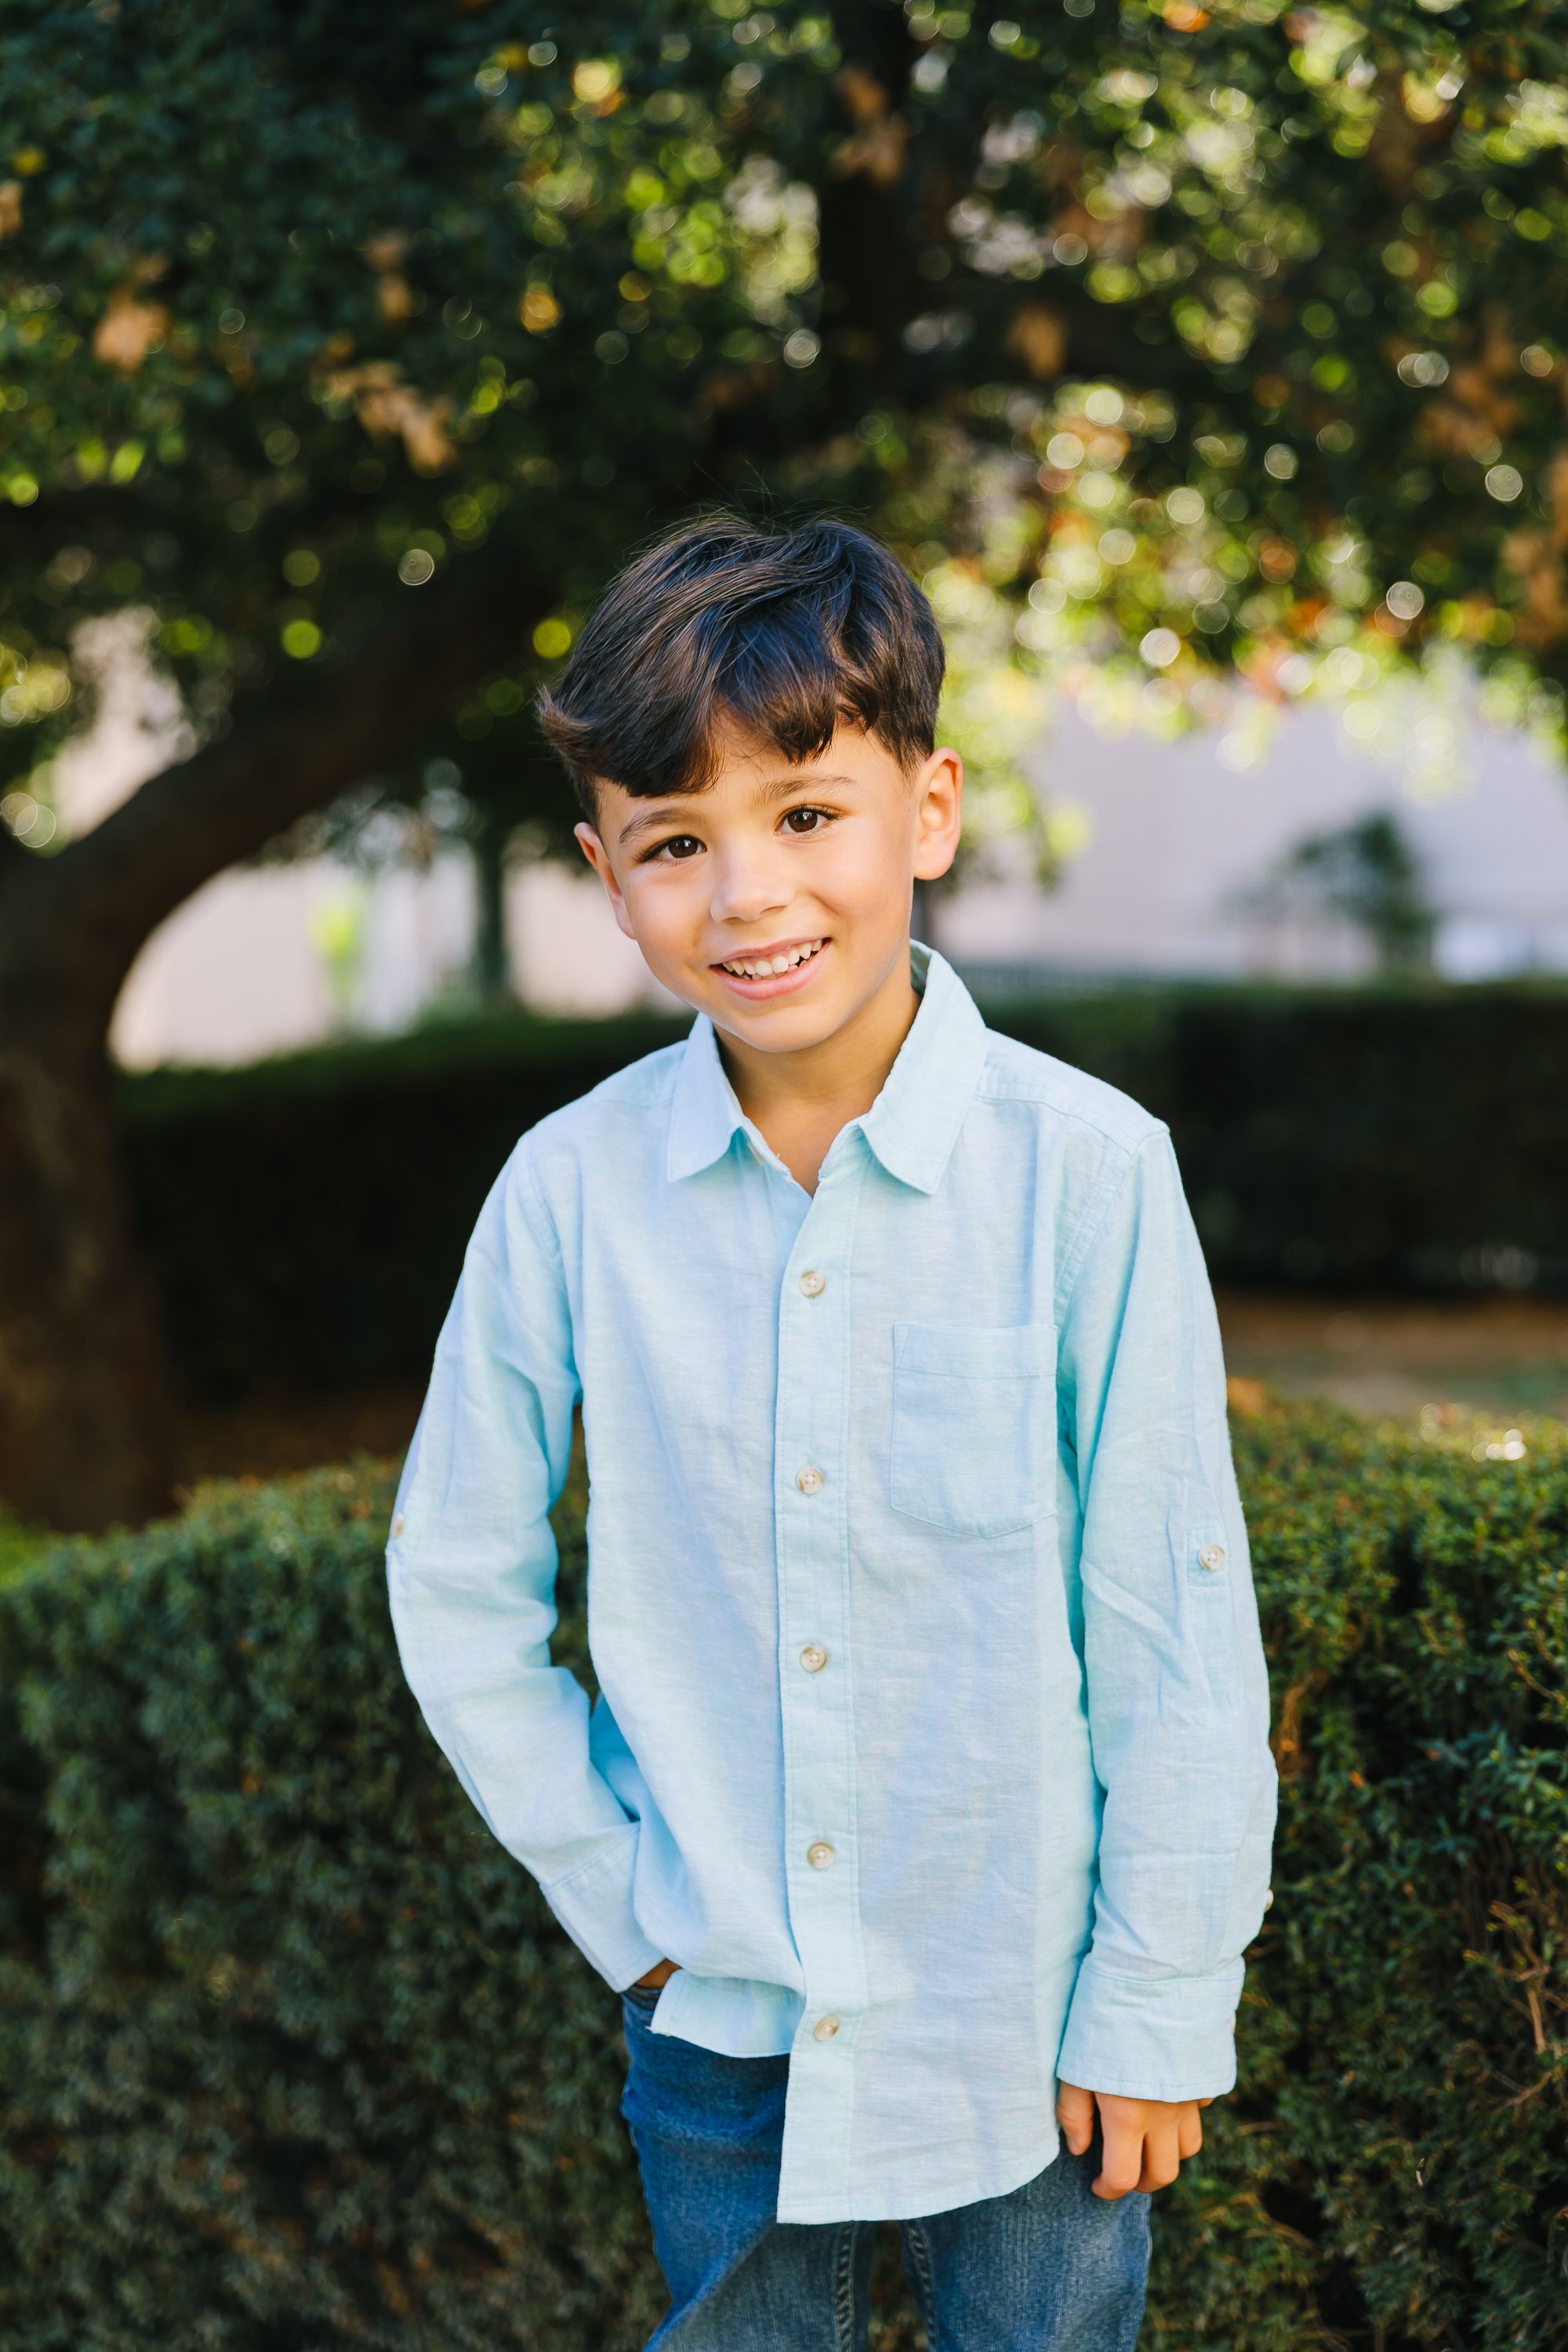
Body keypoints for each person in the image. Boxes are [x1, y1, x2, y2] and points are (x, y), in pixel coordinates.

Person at [387, 514, 1277, 2350]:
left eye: (806, 815)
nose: (746, 895)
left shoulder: (1087, 1177)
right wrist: (620, 1895)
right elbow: (454, 1577)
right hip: (716, 2014)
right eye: (674, 845)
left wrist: (1157, 1998)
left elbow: (1174, 1623)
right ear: (603, 873)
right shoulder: (567, 1195)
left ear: (926, 813)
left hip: (1023, 2027)